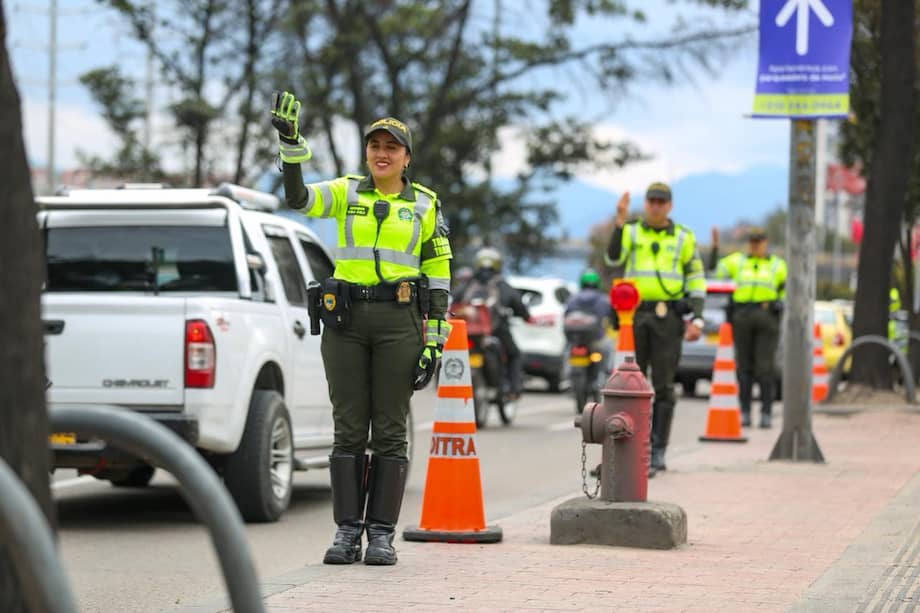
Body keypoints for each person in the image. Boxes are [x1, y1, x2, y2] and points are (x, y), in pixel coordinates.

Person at [270, 91, 453, 566]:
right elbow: (298, 198)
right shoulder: (347, 191)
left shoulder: (426, 205)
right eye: (375, 145)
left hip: (400, 323)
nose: (382, 153)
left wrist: (434, 339)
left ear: (406, 157)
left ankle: (381, 536)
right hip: (347, 322)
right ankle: (347, 532)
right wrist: (292, 146)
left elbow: (438, 275)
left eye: (391, 146)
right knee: (348, 429)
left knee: (390, 430)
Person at [605, 182, 705, 477]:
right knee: (631, 383)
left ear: (670, 205)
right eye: (651, 201)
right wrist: (620, 223)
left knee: (662, 386)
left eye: (661, 201)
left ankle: (658, 449)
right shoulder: (633, 231)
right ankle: (633, 448)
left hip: (668, 318)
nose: (656, 206)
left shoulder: (684, 237)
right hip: (634, 316)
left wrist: (697, 318)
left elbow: (697, 278)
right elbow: (612, 258)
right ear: (645, 203)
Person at [711, 226, 787, 429]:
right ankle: (745, 412)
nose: (755, 245)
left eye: (759, 241)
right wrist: (715, 248)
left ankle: (766, 413)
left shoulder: (777, 265)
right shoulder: (738, 261)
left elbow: (789, 288)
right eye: (752, 241)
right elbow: (715, 270)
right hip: (742, 316)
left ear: (765, 242)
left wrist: (781, 302)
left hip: (767, 317)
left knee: (765, 368)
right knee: (744, 368)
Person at [457, 247, 531, 399]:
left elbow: (453, 300)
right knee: (514, 354)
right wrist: (525, 316)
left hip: (468, 331)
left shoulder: (469, 284)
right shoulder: (501, 284)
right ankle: (514, 390)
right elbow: (518, 305)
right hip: (496, 330)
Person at [564, 268, 615, 375]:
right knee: (609, 347)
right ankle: (607, 372)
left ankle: (566, 372)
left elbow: (565, 315)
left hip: (575, 340)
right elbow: (611, 315)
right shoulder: (603, 299)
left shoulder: (572, 298)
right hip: (596, 340)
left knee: (567, 349)